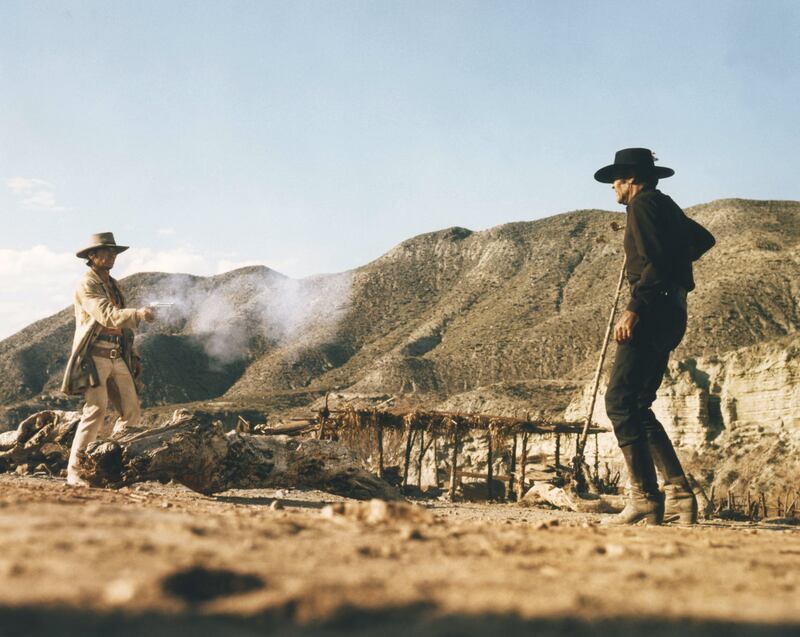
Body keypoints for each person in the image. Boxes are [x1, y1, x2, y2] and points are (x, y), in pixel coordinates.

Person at [594, 148, 715, 524]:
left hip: (652, 308)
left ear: (631, 178)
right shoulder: (665, 206)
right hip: (672, 309)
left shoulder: (643, 205)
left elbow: (657, 263)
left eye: (617, 179)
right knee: (636, 403)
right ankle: (679, 495)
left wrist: (634, 308)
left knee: (619, 401)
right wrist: (675, 259)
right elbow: (703, 239)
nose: (612, 186)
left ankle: (645, 497)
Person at [61, 232, 155, 486]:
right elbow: (107, 315)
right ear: (92, 256)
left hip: (116, 354)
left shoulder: (113, 284)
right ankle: (76, 471)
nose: (112, 255)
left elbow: (121, 328)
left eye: (114, 251)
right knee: (95, 410)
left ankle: (110, 467)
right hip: (94, 356)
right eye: (107, 251)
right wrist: (138, 314)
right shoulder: (87, 284)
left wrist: (133, 355)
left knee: (131, 411)